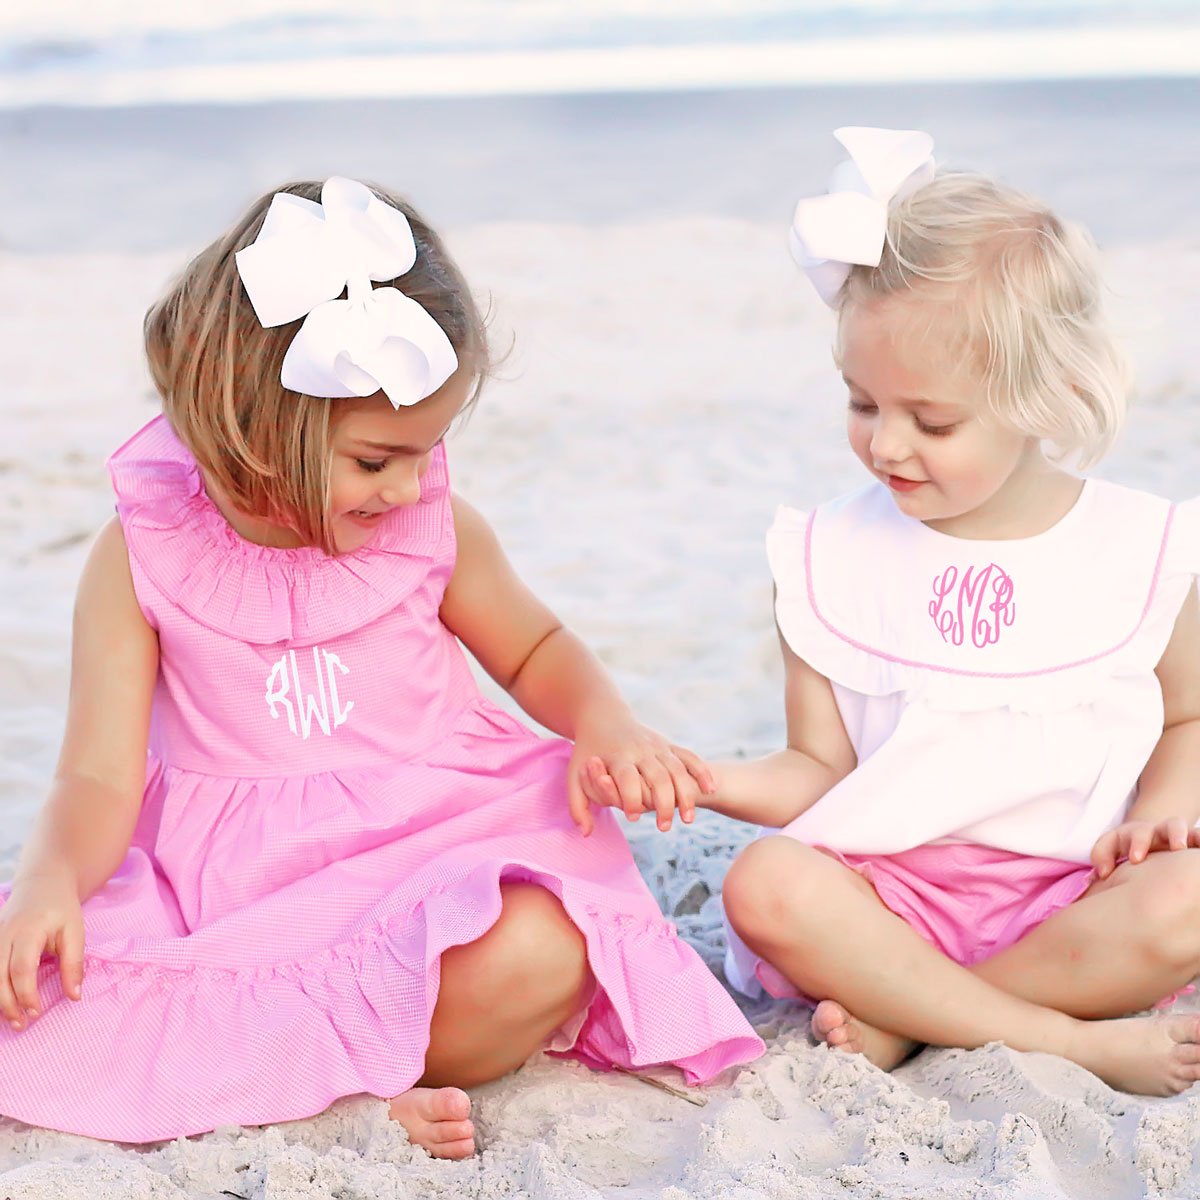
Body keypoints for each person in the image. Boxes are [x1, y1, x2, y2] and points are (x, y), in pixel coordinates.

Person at [0, 177, 763, 1158]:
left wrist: (603, 723)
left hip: (430, 851)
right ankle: (333, 1091)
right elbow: (97, 776)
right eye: (374, 460)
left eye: (425, 450)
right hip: (242, 900)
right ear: (255, 422)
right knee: (59, 1004)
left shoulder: (430, 529)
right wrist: (53, 877)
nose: (408, 485)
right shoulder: (142, 554)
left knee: (545, 945)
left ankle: (335, 1076)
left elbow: (535, 648)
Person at [709, 127, 1200, 1096]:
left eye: (932, 421)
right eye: (862, 404)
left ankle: (910, 1016)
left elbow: (1188, 716)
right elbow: (818, 772)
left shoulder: (1142, 550)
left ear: (1044, 399)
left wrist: (1163, 813)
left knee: (1187, 898)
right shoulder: (830, 556)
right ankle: (1060, 1037)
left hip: (1074, 899)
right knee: (763, 882)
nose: (887, 445)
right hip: (888, 900)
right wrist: (706, 779)